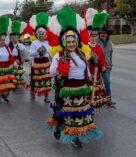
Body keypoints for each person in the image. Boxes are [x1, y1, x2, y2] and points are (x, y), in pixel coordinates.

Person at [45, 7, 102, 148]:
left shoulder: (82, 54)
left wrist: (90, 80)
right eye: (68, 41)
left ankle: (75, 137)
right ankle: (58, 127)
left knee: (78, 116)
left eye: (73, 41)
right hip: (64, 90)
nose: (71, 44)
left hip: (80, 90)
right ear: (64, 42)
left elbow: (86, 71)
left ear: (76, 41)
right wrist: (59, 67)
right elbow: (51, 73)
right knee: (62, 114)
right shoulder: (58, 55)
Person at [84, 8, 110, 108]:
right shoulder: (86, 46)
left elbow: (102, 59)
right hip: (88, 72)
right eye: (92, 37)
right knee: (88, 89)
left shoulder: (98, 47)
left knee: (96, 89)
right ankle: (87, 104)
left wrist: (103, 65)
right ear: (88, 37)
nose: (94, 38)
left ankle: (94, 103)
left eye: (95, 37)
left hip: (97, 72)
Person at [28, 12, 51, 103]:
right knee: (35, 79)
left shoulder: (47, 43)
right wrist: (36, 51)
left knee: (46, 80)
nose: (41, 35)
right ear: (37, 34)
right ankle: (33, 91)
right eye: (40, 34)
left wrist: (53, 62)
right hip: (36, 63)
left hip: (46, 63)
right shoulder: (34, 43)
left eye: (43, 34)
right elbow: (31, 53)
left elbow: (50, 54)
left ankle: (46, 96)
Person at [97, 27, 116, 107]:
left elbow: (110, 55)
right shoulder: (96, 42)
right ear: (99, 34)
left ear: (107, 34)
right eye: (101, 33)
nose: (103, 35)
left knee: (107, 83)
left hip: (107, 66)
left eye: (104, 33)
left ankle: (109, 100)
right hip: (97, 67)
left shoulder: (109, 43)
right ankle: (97, 100)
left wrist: (110, 65)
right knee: (97, 84)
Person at [8, 20, 28, 87]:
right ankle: (13, 83)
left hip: (18, 60)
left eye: (16, 37)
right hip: (11, 60)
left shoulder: (20, 45)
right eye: (13, 37)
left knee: (18, 72)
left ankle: (18, 82)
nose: (14, 39)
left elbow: (24, 51)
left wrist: (20, 49)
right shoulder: (9, 44)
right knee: (12, 72)